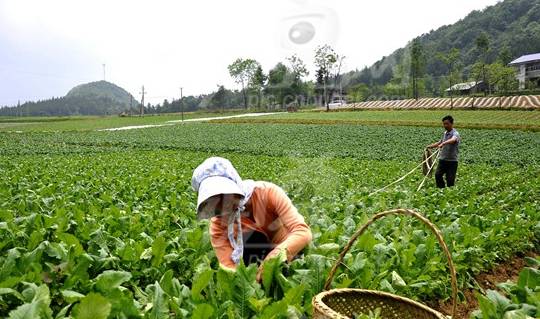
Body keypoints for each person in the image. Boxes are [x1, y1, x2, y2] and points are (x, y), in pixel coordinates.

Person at [191, 157, 312, 280]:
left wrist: (272, 260)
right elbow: (228, 267)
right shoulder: (218, 225)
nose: (222, 204)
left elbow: (302, 232)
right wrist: (245, 284)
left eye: (224, 194)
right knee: (248, 238)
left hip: (288, 250)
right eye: (214, 199)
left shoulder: (268, 193)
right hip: (255, 261)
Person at [427, 115, 461, 188]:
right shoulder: (445, 133)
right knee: (437, 175)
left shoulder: (455, 133)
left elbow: (453, 140)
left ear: (452, 124)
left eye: (447, 124)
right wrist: (430, 146)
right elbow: (440, 142)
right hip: (443, 160)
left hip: (452, 161)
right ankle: (441, 190)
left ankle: (449, 193)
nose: (445, 125)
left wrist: (444, 143)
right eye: (444, 124)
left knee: (450, 180)